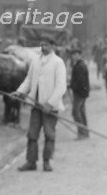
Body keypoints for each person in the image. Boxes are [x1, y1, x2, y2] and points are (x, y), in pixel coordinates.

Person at [14, 35, 67, 172]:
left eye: (47, 45)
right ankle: (31, 162)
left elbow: (61, 86)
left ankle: (47, 162)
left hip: (50, 107)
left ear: (52, 46)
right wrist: (19, 92)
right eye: (42, 45)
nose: (43, 48)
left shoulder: (58, 62)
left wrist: (50, 104)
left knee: (49, 135)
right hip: (36, 104)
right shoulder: (35, 61)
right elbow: (29, 80)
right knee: (32, 134)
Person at [69, 47, 90, 140]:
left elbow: (80, 82)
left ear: (79, 55)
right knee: (81, 112)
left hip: (79, 93)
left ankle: (82, 133)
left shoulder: (80, 66)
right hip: (82, 93)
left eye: (76, 55)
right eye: (73, 55)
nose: (74, 57)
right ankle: (85, 132)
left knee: (76, 112)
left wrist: (71, 86)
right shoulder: (80, 64)